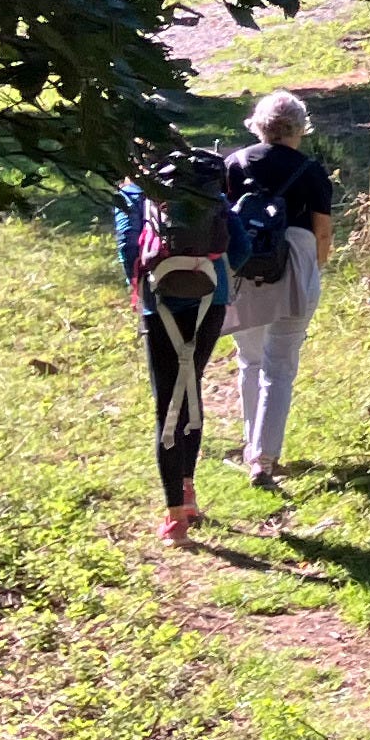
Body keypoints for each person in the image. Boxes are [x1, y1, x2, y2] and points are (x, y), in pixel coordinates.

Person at [114, 151, 234, 546]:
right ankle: (188, 491)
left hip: (160, 302)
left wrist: (147, 285)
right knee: (191, 385)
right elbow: (242, 245)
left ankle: (174, 520)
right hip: (210, 301)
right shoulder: (204, 186)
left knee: (167, 400)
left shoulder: (134, 192)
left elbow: (127, 247)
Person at [219, 90, 340, 483]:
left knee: (249, 359)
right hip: (296, 263)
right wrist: (315, 269)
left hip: (243, 267)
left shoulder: (233, 164)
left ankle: (251, 446)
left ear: (258, 125)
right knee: (280, 366)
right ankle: (265, 460)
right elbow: (322, 232)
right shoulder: (309, 169)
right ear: (300, 127)